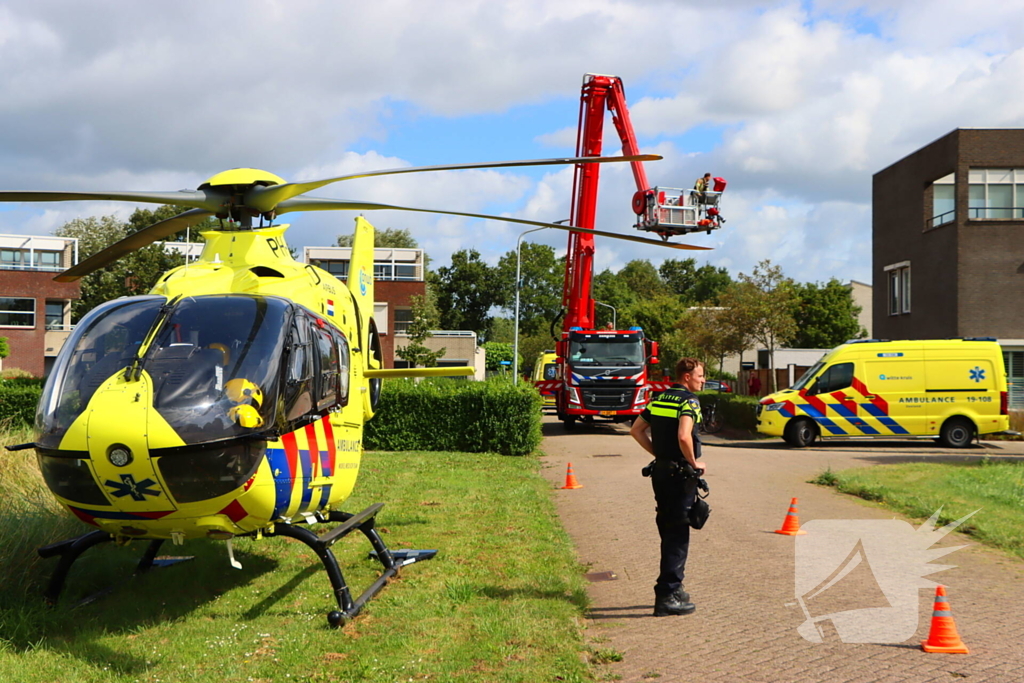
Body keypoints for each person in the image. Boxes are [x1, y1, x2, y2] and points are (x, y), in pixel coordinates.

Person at [630, 357, 707, 617]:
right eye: (700, 375)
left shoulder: (660, 398)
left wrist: (659, 454)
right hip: (679, 475)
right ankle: (667, 595)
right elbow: (684, 435)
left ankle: (675, 587)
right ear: (687, 377)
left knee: (668, 529)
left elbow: (637, 430)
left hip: (661, 473)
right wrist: (694, 463)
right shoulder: (689, 401)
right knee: (677, 534)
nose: (703, 379)